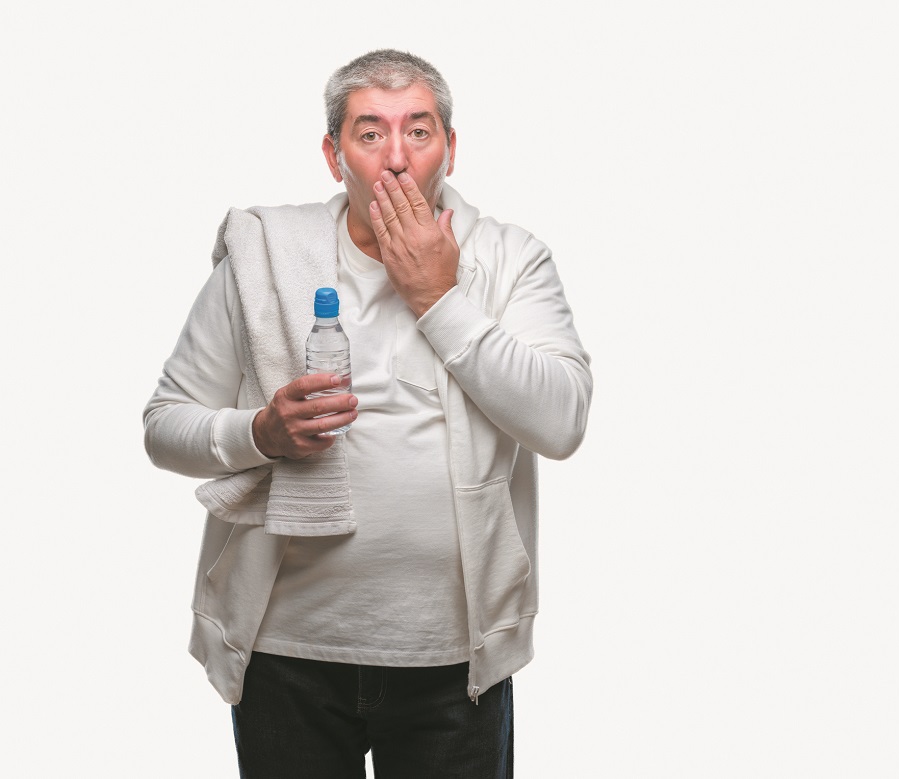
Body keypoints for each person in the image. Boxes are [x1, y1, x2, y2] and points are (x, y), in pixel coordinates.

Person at [144, 48, 592, 778]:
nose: (394, 159)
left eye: (418, 132)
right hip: (286, 648)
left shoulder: (511, 258)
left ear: (450, 148)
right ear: (333, 155)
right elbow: (165, 423)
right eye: (370, 133)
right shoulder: (265, 254)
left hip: (454, 658)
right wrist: (259, 432)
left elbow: (562, 421)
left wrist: (438, 297)